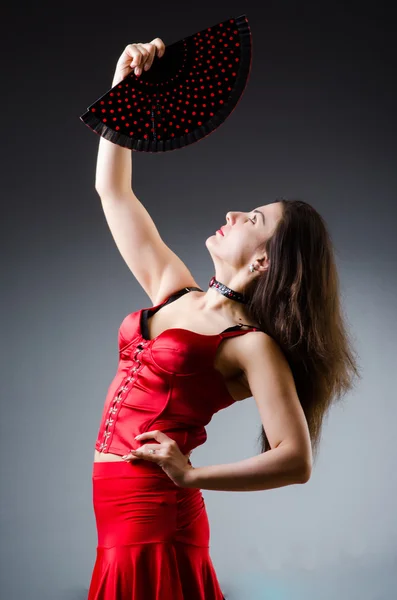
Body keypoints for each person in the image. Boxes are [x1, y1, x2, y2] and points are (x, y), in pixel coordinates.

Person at [87, 39, 361, 600]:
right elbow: (112, 190)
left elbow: (295, 458)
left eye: (252, 218)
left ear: (264, 260)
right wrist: (126, 84)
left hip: (159, 517)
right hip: (113, 514)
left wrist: (192, 476)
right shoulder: (171, 290)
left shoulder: (250, 344)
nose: (234, 212)